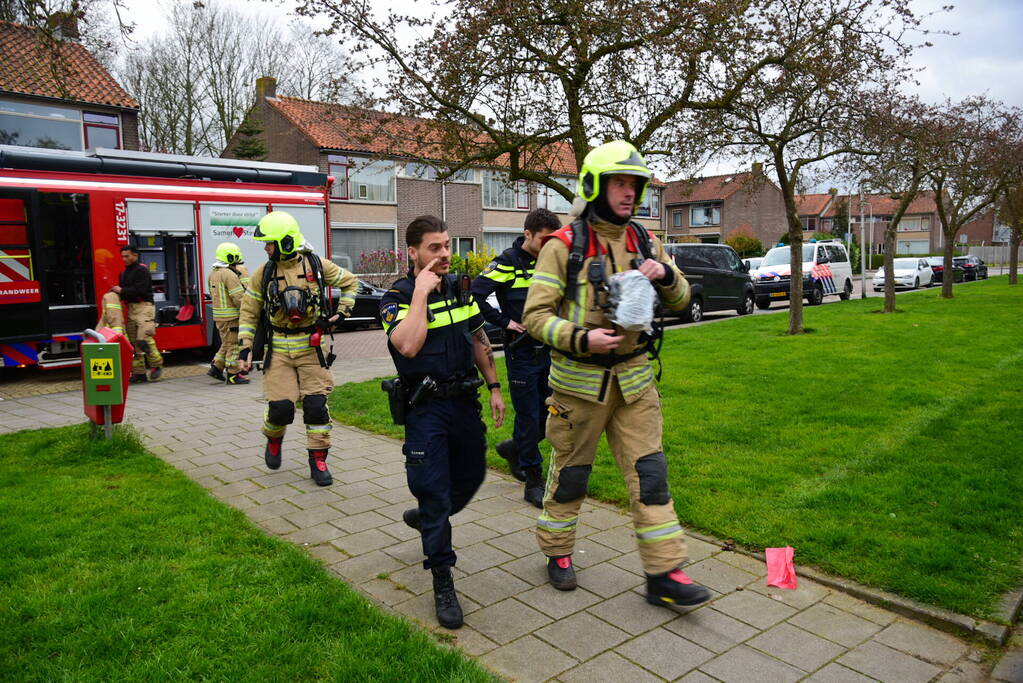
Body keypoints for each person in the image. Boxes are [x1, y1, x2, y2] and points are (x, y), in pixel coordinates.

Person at [522, 140, 712, 608]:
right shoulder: (561, 247)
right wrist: (581, 339)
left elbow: (683, 300)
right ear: (595, 186)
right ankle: (558, 553)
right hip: (578, 389)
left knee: (651, 476)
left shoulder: (646, 241)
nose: (631, 194)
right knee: (571, 475)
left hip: (635, 381)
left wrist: (666, 278)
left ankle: (664, 573)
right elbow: (535, 317)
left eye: (636, 184)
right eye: (620, 183)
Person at [380, 215, 505, 630]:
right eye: (435, 247)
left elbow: (477, 339)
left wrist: (494, 387)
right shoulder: (395, 298)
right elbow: (409, 345)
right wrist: (419, 292)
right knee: (434, 494)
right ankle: (442, 578)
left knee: (472, 475)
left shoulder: (459, 289)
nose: (445, 254)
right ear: (413, 252)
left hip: (464, 403)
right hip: (426, 409)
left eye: (448, 245)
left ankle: (429, 517)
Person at [235, 211, 358, 487]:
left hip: (311, 349)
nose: (266, 248)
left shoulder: (316, 265)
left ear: (286, 242)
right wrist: (245, 349)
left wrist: (342, 312)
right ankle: (274, 439)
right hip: (278, 350)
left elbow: (350, 282)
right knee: (280, 409)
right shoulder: (263, 273)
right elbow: (249, 311)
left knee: (315, 407)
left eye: (270, 243)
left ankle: (318, 459)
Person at [471, 208, 560, 508]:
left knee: (552, 414)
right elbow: (475, 295)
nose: (549, 245)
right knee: (529, 415)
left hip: (550, 349)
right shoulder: (507, 262)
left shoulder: (550, 261)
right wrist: (505, 321)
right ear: (527, 234)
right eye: (544, 239)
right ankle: (533, 479)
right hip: (521, 351)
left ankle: (515, 447)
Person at [111, 245, 163, 383]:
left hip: (144, 307)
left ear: (135, 255)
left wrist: (121, 291)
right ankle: (139, 373)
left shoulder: (142, 271)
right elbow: (126, 292)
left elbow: (139, 289)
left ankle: (156, 365)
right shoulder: (123, 273)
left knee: (143, 339)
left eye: (127, 256)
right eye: (122, 256)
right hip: (131, 309)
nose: (124, 259)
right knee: (133, 343)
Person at [207, 242, 251, 385]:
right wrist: (249, 310)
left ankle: (216, 367)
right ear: (231, 257)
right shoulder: (229, 274)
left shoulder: (212, 273)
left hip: (219, 317)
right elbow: (238, 297)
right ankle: (233, 374)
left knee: (226, 343)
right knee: (234, 345)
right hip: (232, 316)